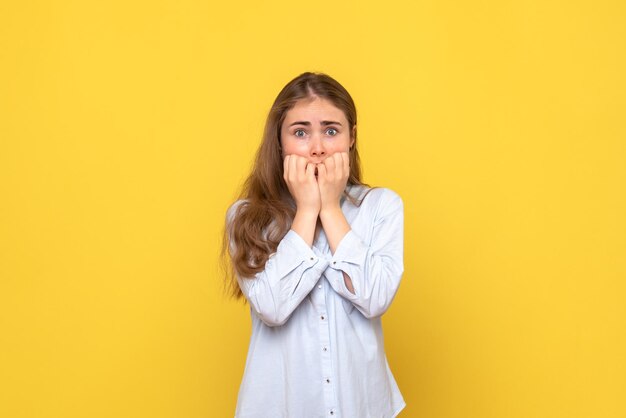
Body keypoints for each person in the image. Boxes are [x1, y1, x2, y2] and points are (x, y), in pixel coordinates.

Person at [221, 71, 405, 417]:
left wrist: (331, 207)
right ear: (280, 141)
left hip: (361, 407)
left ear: (352, 137)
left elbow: (375, 297)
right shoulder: (246, 217)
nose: (317, 147)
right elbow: (272, 307)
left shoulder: (381, 207)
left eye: (331, 130)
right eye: (301, 132)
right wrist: (307, 209)